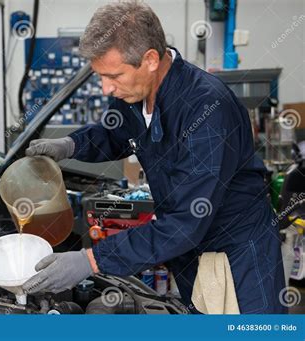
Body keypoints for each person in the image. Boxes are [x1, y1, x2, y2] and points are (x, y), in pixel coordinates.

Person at [22, 1, 286, 314]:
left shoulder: (207, 109)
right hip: (188, 249)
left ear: (149, 59)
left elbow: (186, 220)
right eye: (101, 77)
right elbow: (115, 134)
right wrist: (69, 145)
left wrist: (91, 260)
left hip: (239, 252)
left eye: (114, 75)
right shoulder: (134, 95)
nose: (107, 88)